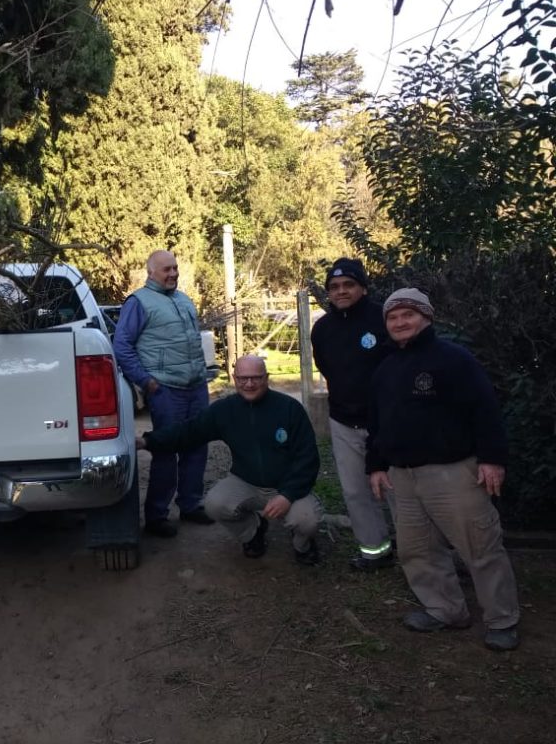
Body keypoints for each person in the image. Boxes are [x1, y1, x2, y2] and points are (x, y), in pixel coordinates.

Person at [366, 288, 520, 651]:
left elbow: (485, 410)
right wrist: (375, 465)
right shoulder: (384, 369)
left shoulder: (453, 359)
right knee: (416, 550)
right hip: (403, 476)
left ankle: (502, 619)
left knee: (480, 547)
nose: (400, 322)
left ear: (427, 317)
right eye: (393, 316)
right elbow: (376, 423)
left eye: (409, 314)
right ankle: (445, 609)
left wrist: (492, 459)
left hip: (453, 473)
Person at [136, 355, 323, 564]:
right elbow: (188, 432)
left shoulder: (289, 408)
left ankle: (302, 547)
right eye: (243, 378)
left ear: (267, 378)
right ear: (234, 378)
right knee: (214, 504)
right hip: (246, 481)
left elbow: (308, 459)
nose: (249, 384)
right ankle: (254, 532)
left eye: (256, 378)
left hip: (287, 485)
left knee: (307, 520)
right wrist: (147, 441)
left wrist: (287, 495)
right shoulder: (224, 410)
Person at [114, 250, 212, 538]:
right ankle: (157, 516)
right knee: (166, 450)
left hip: (196, 386)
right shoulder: (138, 302)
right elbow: (122, 346)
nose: (172, 274)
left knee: (197, 446)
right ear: (151, 272)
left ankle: (191, 505)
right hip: (166, 390)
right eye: (166, 269)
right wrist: (146, 382)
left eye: (175, 268)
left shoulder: (183, 300)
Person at [311, 258, 395, 571]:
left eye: (349, 284)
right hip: (343, 420)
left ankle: (421, 552)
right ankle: (375, 550)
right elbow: (326, 367)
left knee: (398, 490)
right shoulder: (322, 329)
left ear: (362, 287)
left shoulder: (382, 318)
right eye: (334, 287)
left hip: (386, 421)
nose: (341, 291)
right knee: (354, 490)